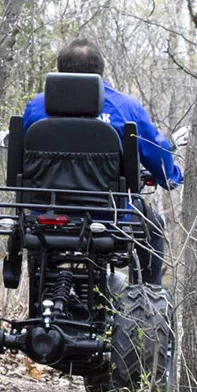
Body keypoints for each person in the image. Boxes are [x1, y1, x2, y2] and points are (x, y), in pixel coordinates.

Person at [22, 39, 183, 284]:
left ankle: (38, 296)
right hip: (109, 217)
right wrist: (171, 176)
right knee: (153, 226)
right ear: (100, 71)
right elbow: (157, 152)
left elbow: (25, 157)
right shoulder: (124, 108)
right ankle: (146, 300)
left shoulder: (36, 107)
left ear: (60, 70)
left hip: (45, 213)